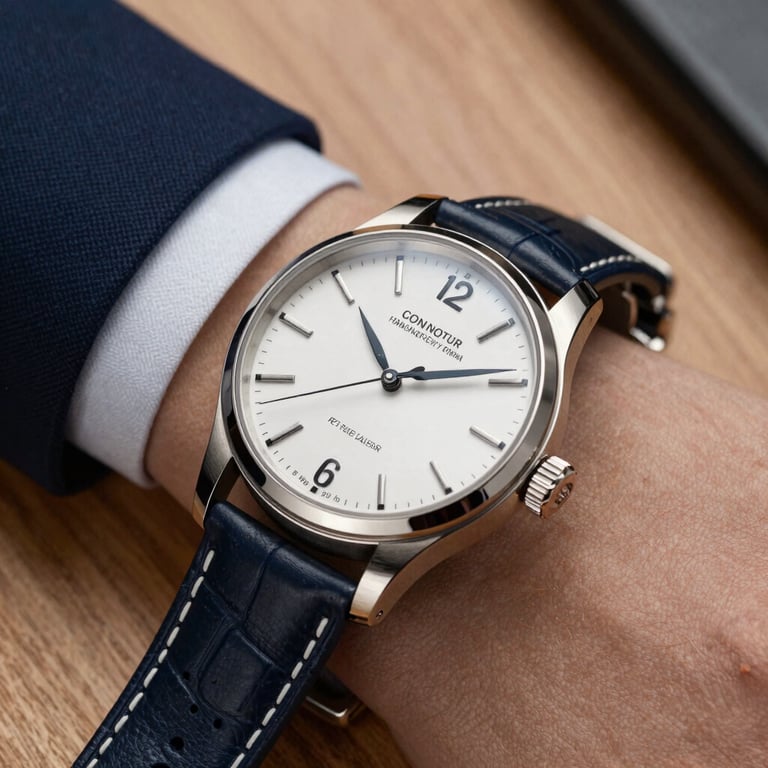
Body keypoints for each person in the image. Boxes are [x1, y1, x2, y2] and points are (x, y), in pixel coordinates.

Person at [2, 2, 766, 766]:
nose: (393, 375)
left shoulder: (397, 544)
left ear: (539, 479)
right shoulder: (232, 462)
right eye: (390, 367)